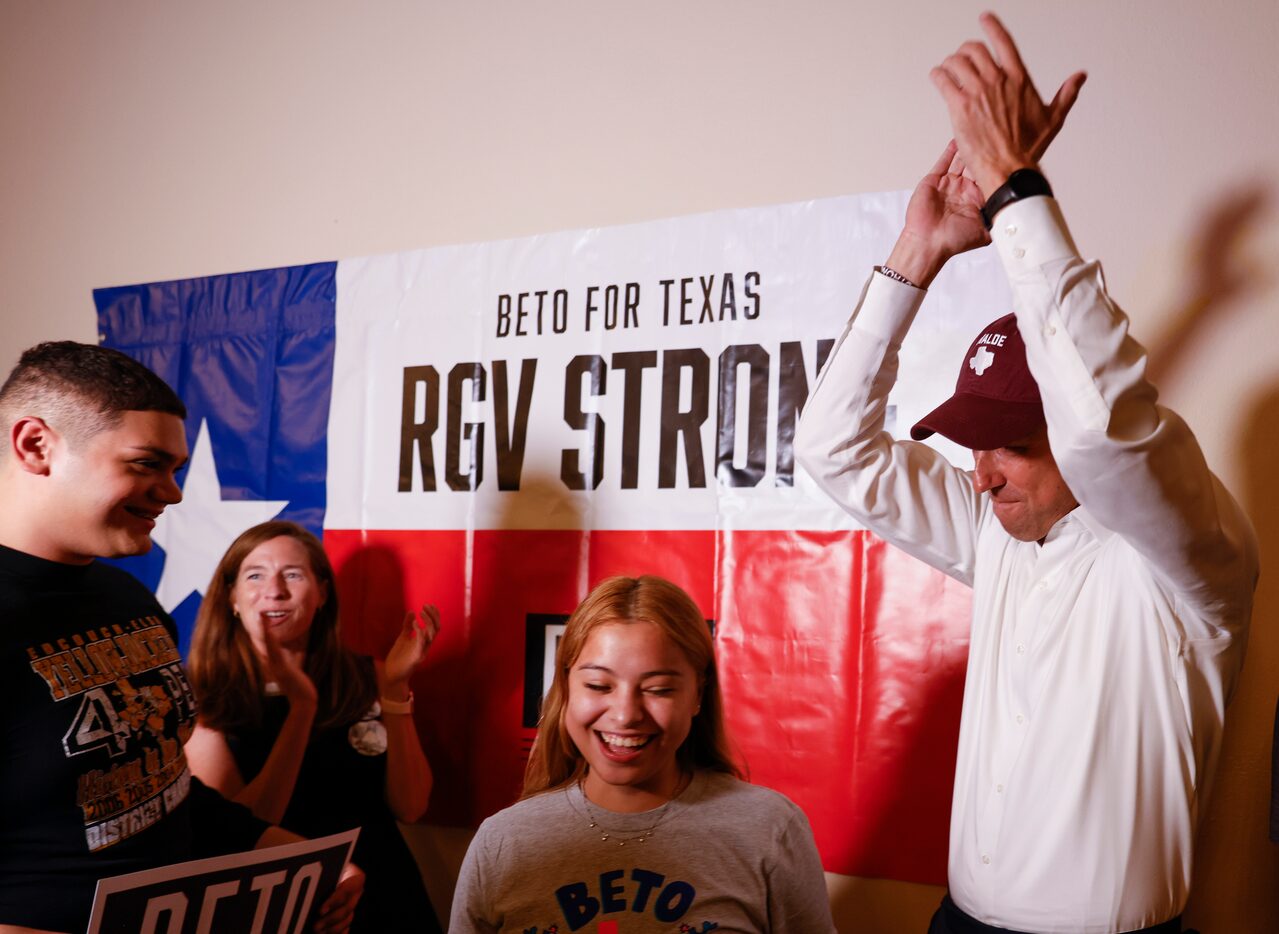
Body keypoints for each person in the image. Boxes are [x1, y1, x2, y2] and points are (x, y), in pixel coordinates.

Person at [796, 13, 1258, 934]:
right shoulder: (995, 530)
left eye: (1012, 443)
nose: (980, 474)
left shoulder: (1187, 562)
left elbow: (1099, 429)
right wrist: (915, 255)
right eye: (975, 442)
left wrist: (1018, 195)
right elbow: (830, 448)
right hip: (955, 923)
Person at [0, 341, 362, 934]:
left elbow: (164, 791)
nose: (172, 492)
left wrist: (299, 860)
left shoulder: (131, 602)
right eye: (145, 464)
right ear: (36, 446)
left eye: (176, 469)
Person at [449, 575, 836, 934]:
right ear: (567, 688)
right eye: (599, 685)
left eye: (659, 689)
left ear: (697, 695)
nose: (625, 714)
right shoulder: (502, 841)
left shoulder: (769, 829)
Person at [184, 519, 442, 933]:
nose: (275, 590)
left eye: (293, 574)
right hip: (282, 905)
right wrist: (301, 710)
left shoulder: (369, 676)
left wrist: (395, 688)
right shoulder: (202, 698)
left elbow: (411, 806)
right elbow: (238, 835)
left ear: (322, 593)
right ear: (231, 597)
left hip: (384, 897)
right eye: (255, 575)